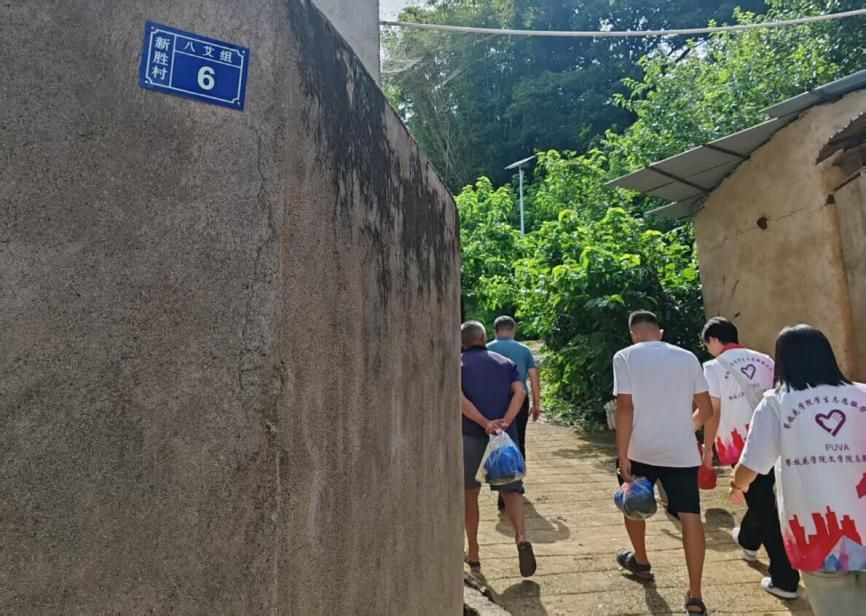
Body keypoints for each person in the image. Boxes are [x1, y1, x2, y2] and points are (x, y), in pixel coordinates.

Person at [731, 325, 866, 616]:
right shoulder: (863, 395)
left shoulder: (776, 402)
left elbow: (752, 465)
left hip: (816, 532)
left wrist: (737, 484)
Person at [613, 310, 715, 616]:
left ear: (633, 335)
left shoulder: (625, 356)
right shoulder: (687, 357)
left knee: (633, 504)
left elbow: (625, 407)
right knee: (690, 516)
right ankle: (695, 594)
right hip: (681, 452)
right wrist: (684, 429)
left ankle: (642, 561)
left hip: (640, 449)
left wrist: (622, 454)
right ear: (660, 333)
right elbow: (706, 410)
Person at [702, 317, 800, 599]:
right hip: (776, 437)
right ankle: (747, 538)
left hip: (742, 444)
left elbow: (713, 411)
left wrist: (708, 448)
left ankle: (785, 577)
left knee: (763, 505)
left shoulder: (712, 367)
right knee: (761, 497)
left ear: (713, 340)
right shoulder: (765, 360)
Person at [461, 320, 537, 578]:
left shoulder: (457, 365)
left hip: (470, 436)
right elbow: (520, 392)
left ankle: (473, 551)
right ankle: (521, 537)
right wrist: (505, 421)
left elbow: (459, 399)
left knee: (469, 494)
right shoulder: (505, 363)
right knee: (512, 490)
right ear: (483, 339)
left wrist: (485, 423)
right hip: (505, 438)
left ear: (462, 342)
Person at [487, 316, 540, 510]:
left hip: (494, 399)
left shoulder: (486, 348)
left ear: (495, 331)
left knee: (495, 440)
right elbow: (533, 377)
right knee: (518, 440)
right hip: (519, 400)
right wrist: (536, 403)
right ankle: (516, 483)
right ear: (514, 330)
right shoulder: (524, 350)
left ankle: (500, 486)